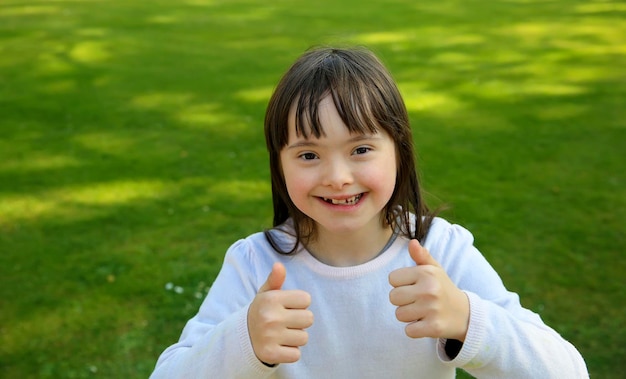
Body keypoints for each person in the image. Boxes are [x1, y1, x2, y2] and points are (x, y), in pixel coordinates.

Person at [150, 46, 589, 378]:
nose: (338, 176)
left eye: (360, 149)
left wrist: (468, 320)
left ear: (399, 152)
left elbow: (568, 370)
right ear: (278, 165)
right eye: (308, 155)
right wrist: (243, 339)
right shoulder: (255, 264)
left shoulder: (442, 251)